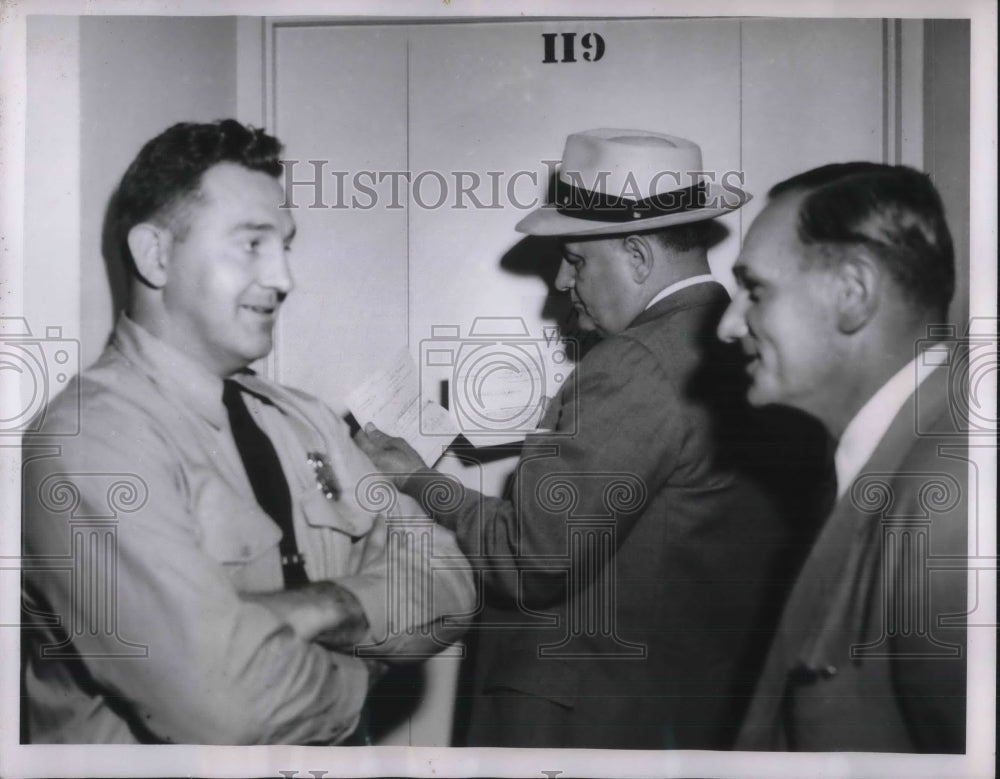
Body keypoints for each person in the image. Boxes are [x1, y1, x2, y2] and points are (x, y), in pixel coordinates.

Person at [356, 128, 820, 749]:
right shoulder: (738, 344)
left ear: (637, 256)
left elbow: (533, 559)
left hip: (580, 716)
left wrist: (417, 479)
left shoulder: (633, 363)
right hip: (675, 704)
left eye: (575, 260)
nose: (560, 283)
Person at [21, 119, 474, 745]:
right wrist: (365, 664)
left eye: (285, 246)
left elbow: (449, 578)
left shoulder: (302, 418)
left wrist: (322, 606)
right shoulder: (89, 441)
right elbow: (221, 703)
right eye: (252, 244)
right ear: (155, 255)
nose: (285, 278)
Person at [718, 162, 967, 752]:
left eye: (755, 290)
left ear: (853, 293)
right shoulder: (889, 461)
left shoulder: (948, 499)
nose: (729, 325)